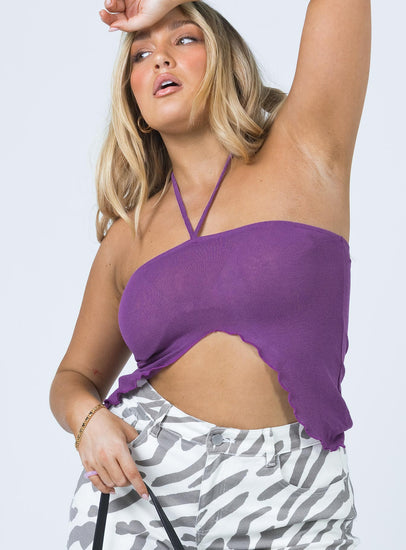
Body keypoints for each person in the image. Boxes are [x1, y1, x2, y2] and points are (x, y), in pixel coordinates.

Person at [49, 1, 371, 548]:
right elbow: (73, 377)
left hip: (291, 496)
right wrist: (88, 420)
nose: (160, 59)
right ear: (133, 99)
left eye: (184, 39)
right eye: (141, 55)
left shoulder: (307, 149)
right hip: (144, 488)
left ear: (224, 60)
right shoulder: (128, 235)